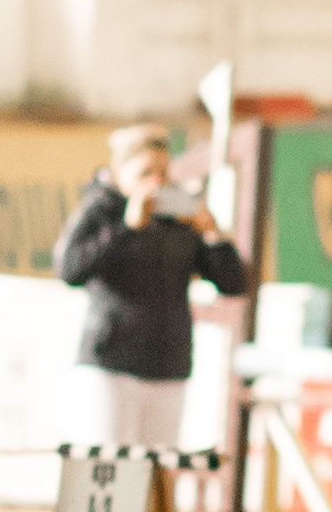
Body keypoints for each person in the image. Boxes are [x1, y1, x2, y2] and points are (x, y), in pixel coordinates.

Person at [53, 123, 250, 447]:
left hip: (166, 367)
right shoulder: (102, 209)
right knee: (111, 469)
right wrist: (126, 228)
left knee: (155, 477)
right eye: (145, 173)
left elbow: (233, 283)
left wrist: (212, 233)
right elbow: (70, 269)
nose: (156, 182)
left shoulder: (176, 216)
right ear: (119, 172)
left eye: (163, 172)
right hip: (109, 363)